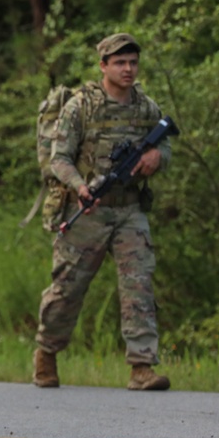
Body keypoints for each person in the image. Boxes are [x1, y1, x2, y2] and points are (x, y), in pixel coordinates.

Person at [33, 33, 172, 391]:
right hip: (88, 208)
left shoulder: (145, 107)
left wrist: (157, 157)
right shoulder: (81, 106)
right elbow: (58, 159)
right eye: (120, 63)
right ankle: (46, 352)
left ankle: (142, 366)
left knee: (139, 283)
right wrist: (80, 187)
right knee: (68, 288)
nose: (128, 69)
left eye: (133, 62)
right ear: (103, 66)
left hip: (129, 210)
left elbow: (166, 144)